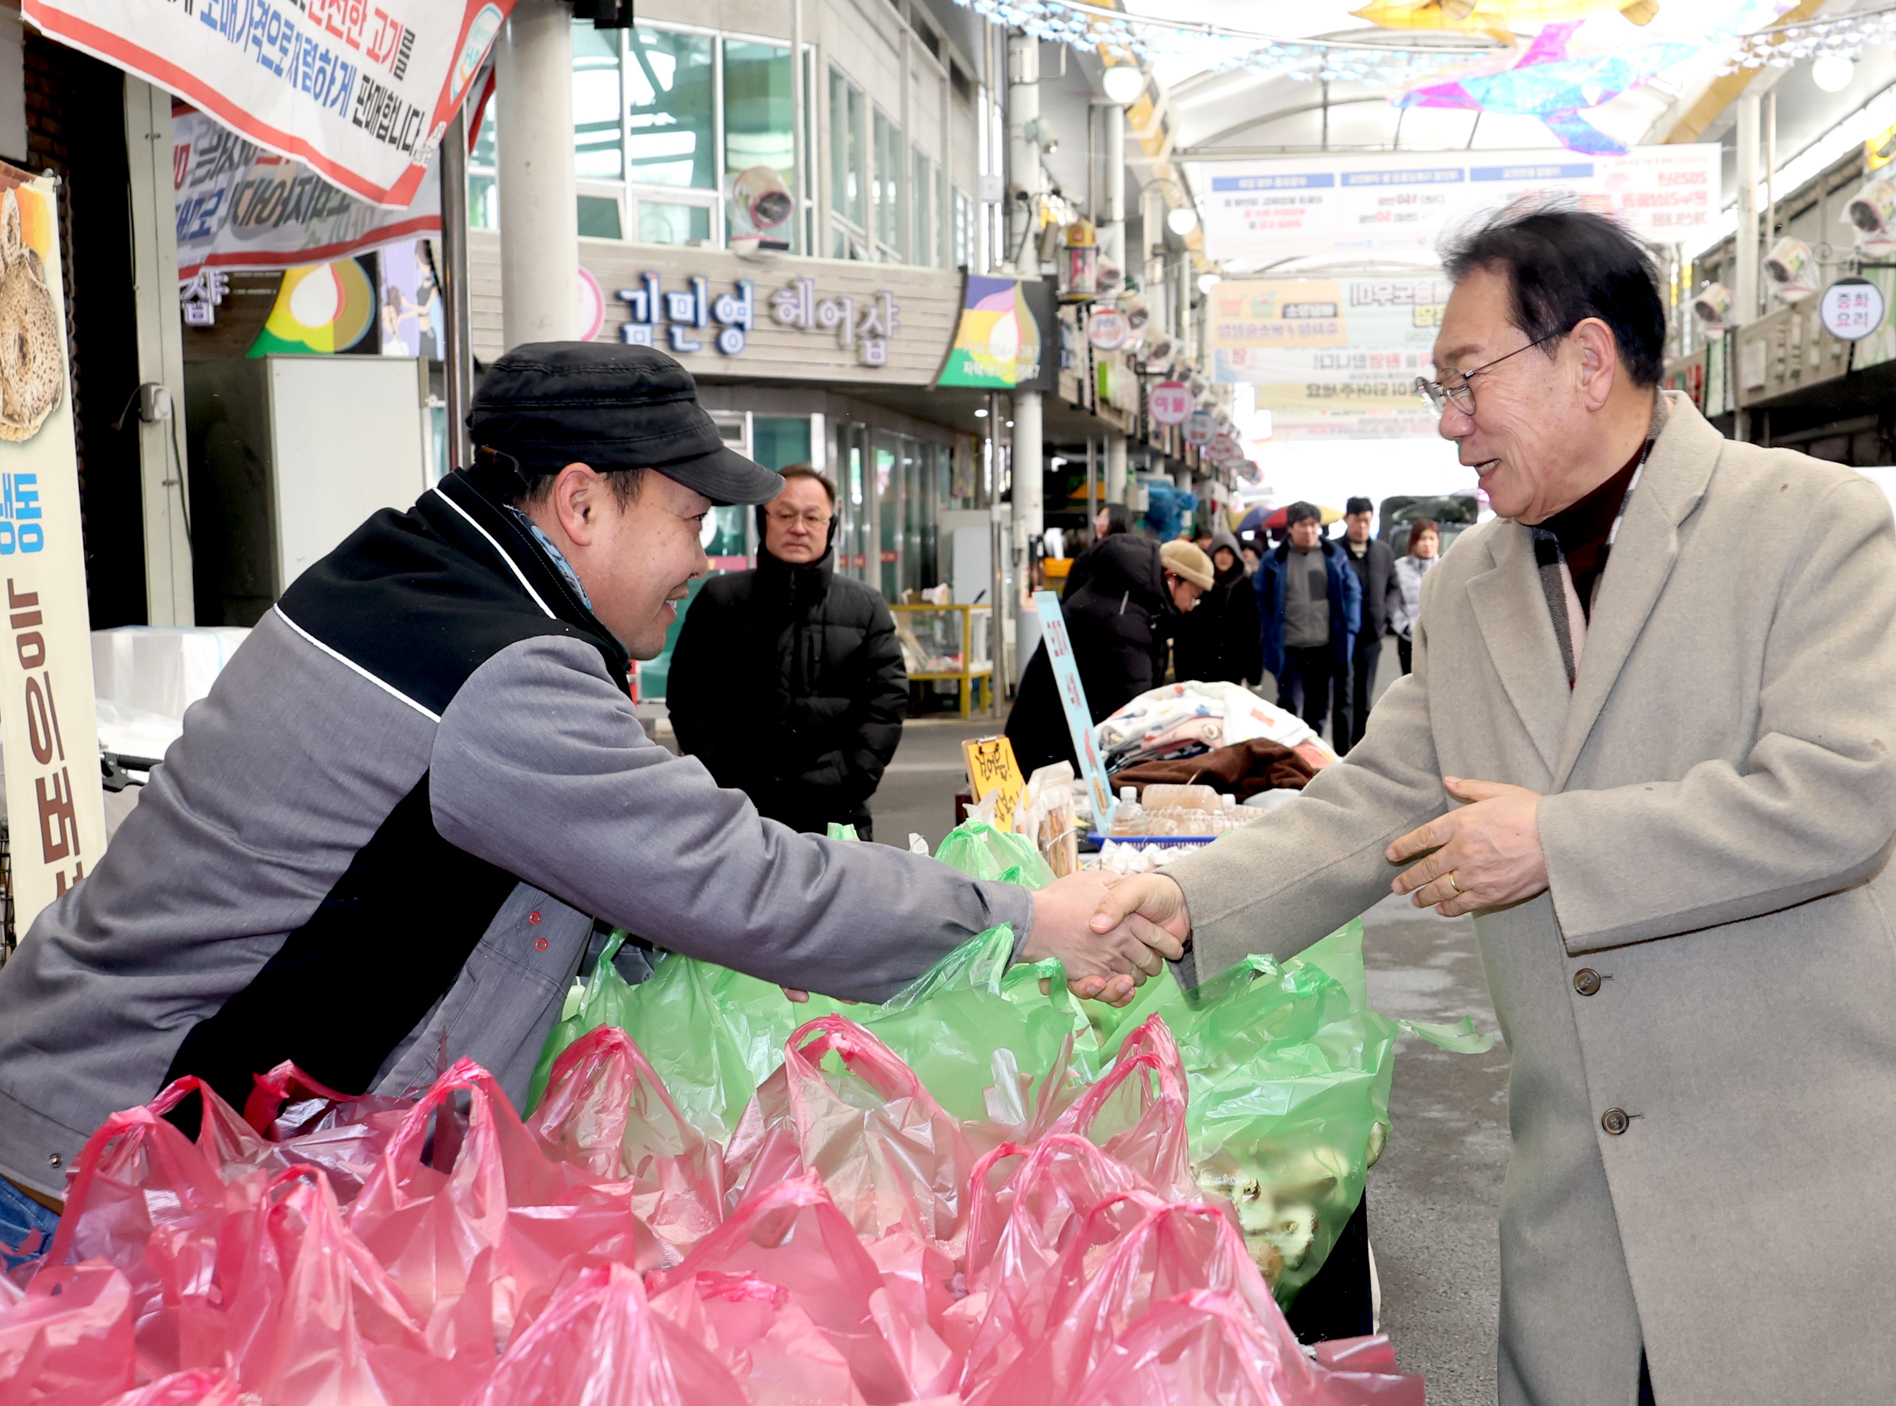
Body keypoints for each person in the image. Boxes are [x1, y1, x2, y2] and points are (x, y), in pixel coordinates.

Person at [1088, 210, 1896, 1406]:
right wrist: (1167, 905)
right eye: (1435, 388)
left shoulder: (1808, 523)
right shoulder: (1479, 583)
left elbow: (1839, 791)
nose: (1448, 422)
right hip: (1593, 1194)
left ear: (1590, 360)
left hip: (1821, 1183)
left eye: (1464, 380)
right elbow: (1378, 798)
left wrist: (1554, 841)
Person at [0, 342, 1176, 1249]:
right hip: (110, 1174)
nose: (706, 557)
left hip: (108, 1128)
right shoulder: (499, 671)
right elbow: (736, 877)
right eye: (690, 520)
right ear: (581, 502)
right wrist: (1022, 922)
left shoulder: (406, 574)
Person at [666, 465, 903, 840]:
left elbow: (886, 702)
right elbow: (689, 696)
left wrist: (847, 776)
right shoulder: (720, 601)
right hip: (737, 814)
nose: (798, 527)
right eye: (786, 514)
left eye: (812, 517)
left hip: (837, 815)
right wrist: (726, 777)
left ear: (831, 525)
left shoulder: (866, 606)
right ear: (765, 520)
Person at [1006, 537, 1211, 775]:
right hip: (1053, 749)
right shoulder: (1124, 617)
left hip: (1057, 740)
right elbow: (1130, 708)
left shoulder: (1134, 601)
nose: (1191, 606)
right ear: (1172, 578)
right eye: (1193, 596)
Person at [1254, 502, 1361, 742]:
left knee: (1318, 708)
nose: (1310, 531)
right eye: (1304, 525)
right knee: (1288, 705)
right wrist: (1269, 635)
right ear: (1290, 528)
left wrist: (1350, 628)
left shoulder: (1333, 557)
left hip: (1323, 646)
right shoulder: (1275, 560)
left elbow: (1352, 593)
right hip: (1290, 647)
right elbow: (1262, 600)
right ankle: (1287, 753)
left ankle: (1313, 754)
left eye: (1314, 525)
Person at [1334, 497, 1397, 749]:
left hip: (1371, 637)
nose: (1362, 526)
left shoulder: (1382, 551)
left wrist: (1386, 613)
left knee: (1364, 698)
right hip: (1341, 637)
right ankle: (1339, 752)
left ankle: (1360, 751)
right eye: (1357, 519)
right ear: (1347, 519)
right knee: (1342, 697)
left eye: (1367, 520)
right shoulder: (1334, 551)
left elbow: (1394, 586)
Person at [1173, 531, 1262, 688]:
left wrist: (1253, 672)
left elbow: (1253, 631)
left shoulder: (1244, 587)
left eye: (1229, 553)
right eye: (1220, 551)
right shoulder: (1200, 583)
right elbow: (1185, 629)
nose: (1224, 557)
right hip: (1199, 666)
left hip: (1233, 666)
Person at [1388, 517, 1441, 677]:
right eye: (1422, 538)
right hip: (1408, 640)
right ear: (1413, 541)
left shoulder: (1445, 567)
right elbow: (1393, 602)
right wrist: (1405, 627)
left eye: (1431, 538)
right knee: (1410, 687)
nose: (1427, 544)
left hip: (1439, 641)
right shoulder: (1399, 567)